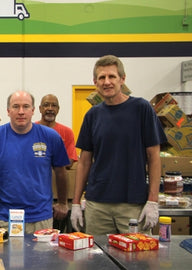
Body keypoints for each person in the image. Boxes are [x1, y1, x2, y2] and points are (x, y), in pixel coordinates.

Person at [70, 55, 167, 235]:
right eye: (101, 78)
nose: (107, 82)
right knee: (96, 259)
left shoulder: (141, 108)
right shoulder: (92, 115)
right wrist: (76, 202)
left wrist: (152, 201)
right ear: (95, 82)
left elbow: (154, 156)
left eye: (112, 76)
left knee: (136, 260)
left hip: (132, 205)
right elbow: (84, 162)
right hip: (97, 205)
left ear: (122, 79)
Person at [0, 91, 70, 233]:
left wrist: (62, 203)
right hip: (4, 219)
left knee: (42, 256)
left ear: (33, 110)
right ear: (8, 111)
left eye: (25, 107)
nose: (21, 112)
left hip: (41, 219)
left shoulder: (51, 137)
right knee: (6, 256)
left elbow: (61, 172)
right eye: (15, 107)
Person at [36, 94, 78, 169]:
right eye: (46, 105)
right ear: (40, 108)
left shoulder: (67, 132)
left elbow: (69, 162)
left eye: (54, 105)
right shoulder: (31, 130)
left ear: (58, 109)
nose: (50, 108)